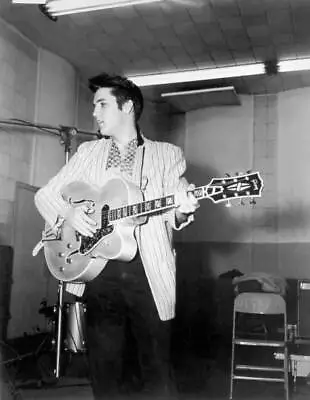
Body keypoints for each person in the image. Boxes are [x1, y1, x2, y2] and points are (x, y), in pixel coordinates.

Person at [34, 73, 199, 399]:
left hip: (148, 274)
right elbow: (45, 196)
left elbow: (173, 213)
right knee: (104, 372)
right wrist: (69, 214)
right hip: (99, 272)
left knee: (157, 371)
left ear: (127, 107)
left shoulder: (167, 155)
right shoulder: (88, 153)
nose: (94, 112)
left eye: (102, 104)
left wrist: (183, 208)